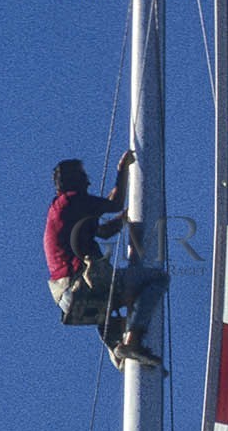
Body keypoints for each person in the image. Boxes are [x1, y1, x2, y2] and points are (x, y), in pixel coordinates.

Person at [44, 150, 168, 367]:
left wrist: (122, 220)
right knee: (157, 279)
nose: (88, 180)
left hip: (67, 297)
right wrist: (123, 170)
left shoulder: (63, 209)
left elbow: (103, 232)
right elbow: (115, 202)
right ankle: (133, 341)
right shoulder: (71, 201)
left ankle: (119, 349)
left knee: (107, 308)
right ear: (74, 180)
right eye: (83, 175)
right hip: (79, 286)